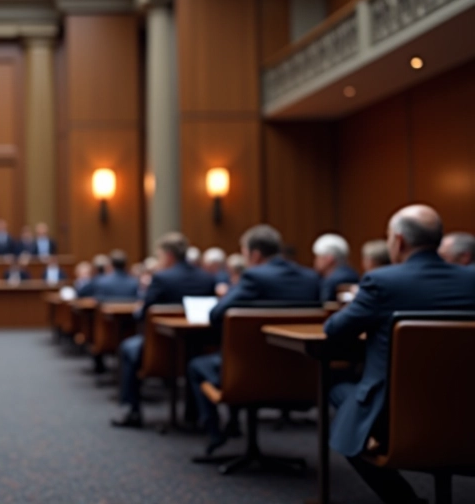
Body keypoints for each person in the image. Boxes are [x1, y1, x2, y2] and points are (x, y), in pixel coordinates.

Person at [326, 205, 475, 504]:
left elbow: (335, 331)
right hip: (467, 409)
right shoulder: (470, 280)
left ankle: (405, 502)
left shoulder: (381, 282)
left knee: (340, 397)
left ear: (398, 241)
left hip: (396, 415)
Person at [189, 224, 321, 454]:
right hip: (300, 373)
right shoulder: (310, 278)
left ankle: (215, 433)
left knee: (197, 366)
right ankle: (233, 424)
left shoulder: (254, 276)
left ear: (255, 254)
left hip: (249, 373)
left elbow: (217, 314)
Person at [113, 233, 216, 428]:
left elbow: (144, 314)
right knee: (191, 353)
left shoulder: (161, 278)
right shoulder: (206, 277)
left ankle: (133, 411)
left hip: (162, 350)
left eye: (159, 255)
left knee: (127, 347)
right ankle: (193, 412)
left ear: (168, 255)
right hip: (198, 348)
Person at [313, 233, 360, 302]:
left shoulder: (332, 281)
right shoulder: (354, 274)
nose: (315, 261)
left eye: (318, 257)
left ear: (329, 259)